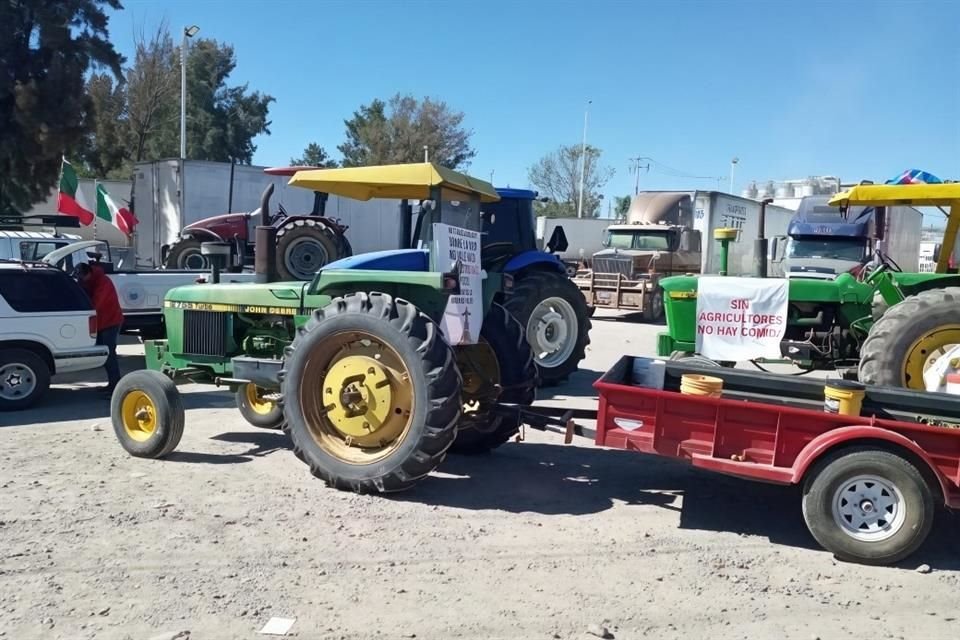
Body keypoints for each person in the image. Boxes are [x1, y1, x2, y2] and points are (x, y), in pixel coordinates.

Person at [76, 262, 124, 393]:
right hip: (101, 322)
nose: (81, 280)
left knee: (109, 354)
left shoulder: (103, 282)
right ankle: (112, 384)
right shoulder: (88, 281)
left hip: (111, 321)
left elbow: (96, 304)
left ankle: (116, 386)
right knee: (105, 354)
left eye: (82, 277)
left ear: (89, 273)